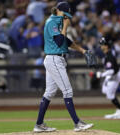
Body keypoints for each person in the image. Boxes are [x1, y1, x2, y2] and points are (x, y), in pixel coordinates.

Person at [33, 2, 94, 132]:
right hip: (54, 59)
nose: (66, 17)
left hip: (56, 59)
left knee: (49, 92)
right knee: (67, 91)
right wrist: (65, 26)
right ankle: (77, 123)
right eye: (64, 14)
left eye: (67, 15)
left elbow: (67, 41)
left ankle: (39, 124)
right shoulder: (51, 22)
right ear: (58, 10)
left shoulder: (58, 21)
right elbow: (60, 41)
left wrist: (82, 50)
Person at [96, 37, 120, 119]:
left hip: (115, 76)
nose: (100, 46)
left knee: (110, 95)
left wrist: (101, 74)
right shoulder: (107, 54)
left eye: (102, 45)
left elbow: (112, 71)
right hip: (112, 75)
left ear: (106, 46)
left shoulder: (109, 56)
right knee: (104, 90)